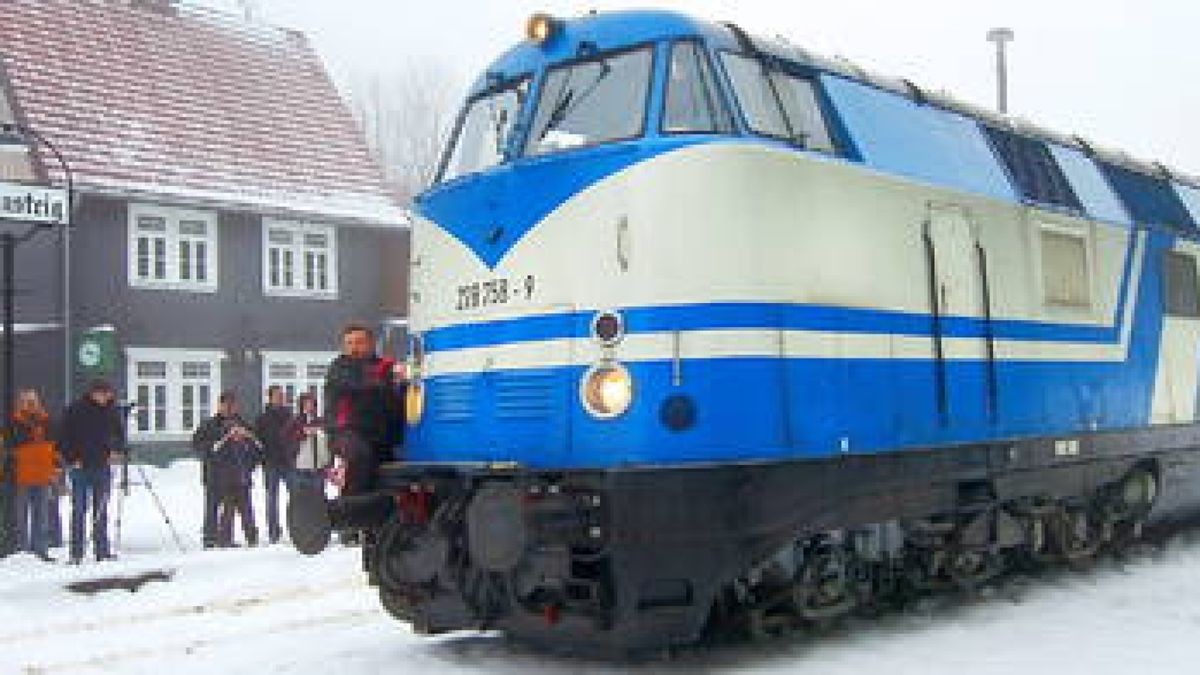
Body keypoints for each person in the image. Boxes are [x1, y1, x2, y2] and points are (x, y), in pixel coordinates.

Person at [324, 323, 406, 497]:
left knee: (394, 467)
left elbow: (396, 398)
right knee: (360, 455)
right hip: (348, 432)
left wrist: (401, 383)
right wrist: (384, 379)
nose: (354, 348)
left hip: (380, 435)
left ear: (371, 344)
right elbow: (354, 385)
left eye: (359, 342)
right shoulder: (339, 367)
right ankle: (352, 502)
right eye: (349, 343)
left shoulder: (384, 367)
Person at [60, 380, 124, 564]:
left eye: (109, 394)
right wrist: (72, 458)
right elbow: (63, 437)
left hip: (102, 466)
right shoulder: (75, 410)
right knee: (79, 509)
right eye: (103, 394)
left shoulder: (112, 411)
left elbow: (120, 435)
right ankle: (76, 552)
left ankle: (102, 550)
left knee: (101, 509)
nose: (107, 398)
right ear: (94, 393)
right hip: (80, 467)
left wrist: (116, 450)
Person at [194, 392, 261, 548]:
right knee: (212, 507)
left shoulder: (243, 425)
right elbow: (199, 446)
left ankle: (248, 537)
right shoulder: (209, 425)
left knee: (244, 508)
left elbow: (256, 448)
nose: (230, 408)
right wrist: (224, 437)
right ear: (220, 405)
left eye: (233, 405)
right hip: (215, 475)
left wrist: (247, 440)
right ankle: (210, 538)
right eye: (227, 405)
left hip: (239, 474)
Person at [11, 389, 59, 562]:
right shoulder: (13, 422)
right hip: (21, 476)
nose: (31, 404)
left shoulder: (47, 421)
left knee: (42, 517)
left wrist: (55, 469)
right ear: (20, 402)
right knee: (20, 518)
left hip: (43, 475)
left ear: (39, 401)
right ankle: (21, 554)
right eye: (27, 401)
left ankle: (40, 551)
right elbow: (12, 447)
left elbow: (54, 447)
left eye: (33, 400)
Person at [255, 385, 294, 544]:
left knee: (296, 496)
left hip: (288, 463)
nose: (280, 398)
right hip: (270, 463)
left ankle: (295, 526)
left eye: (282, 395)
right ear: (270, 398)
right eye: (277, 396)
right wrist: (261, 458)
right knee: (272, 498)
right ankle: (273, 532)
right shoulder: (263, 418)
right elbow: (258, 441)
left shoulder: (290, 416)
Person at [288, 392, 329, 490]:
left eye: (311, 403)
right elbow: (287, 439)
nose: (309, 406)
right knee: (300, 498)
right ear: (301, 405)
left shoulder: (320, 421)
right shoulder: (294, 421)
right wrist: (303, 432)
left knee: (317, 498)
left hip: (318, 467)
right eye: (306, 403)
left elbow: (327, 441)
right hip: (300, 467)